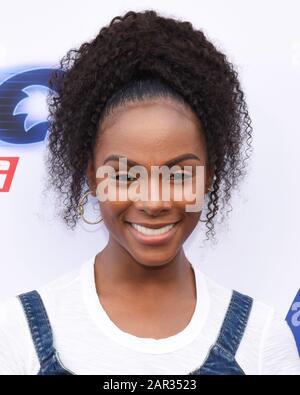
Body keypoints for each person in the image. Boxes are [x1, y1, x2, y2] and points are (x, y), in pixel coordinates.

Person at [0, 9, 299, 375]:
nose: (154, 201)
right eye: (125, 175)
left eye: (178, 174)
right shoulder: (18, 336)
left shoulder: (262, 341)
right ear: (93, 177)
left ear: (210, 176)